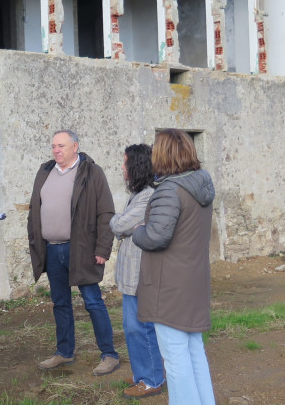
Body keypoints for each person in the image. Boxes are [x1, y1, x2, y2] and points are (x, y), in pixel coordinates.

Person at [132, 129, 216, 405]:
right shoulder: (200, 183)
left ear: (163, 154)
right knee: (194, 352)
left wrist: (137, 231)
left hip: (169, 287)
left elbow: (156, 236)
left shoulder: (170, 190)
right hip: (193, 281)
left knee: (176, 358)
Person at [27, 129, 119, 375]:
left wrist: (102, 248)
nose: (56, 150)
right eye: (54, 146)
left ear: (75, 146)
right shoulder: (45, 171)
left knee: (93, 302)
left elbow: (105, 213)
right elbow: (34, 209)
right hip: (52, 249)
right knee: (60, 303)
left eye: (61, 146)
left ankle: (109, 354)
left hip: (81, 250)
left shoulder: (91, 172)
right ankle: (64, 353)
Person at [109, 143, 165, 398]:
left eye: (125, 163)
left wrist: (121, 224)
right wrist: (126, 225)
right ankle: (142, 375)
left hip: (140, 274)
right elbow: (125, 225)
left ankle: (151, 380)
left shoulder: (147, 197)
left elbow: (119, 224)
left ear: (137, 166)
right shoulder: (139, 194)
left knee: (139, 327)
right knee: (133, 326)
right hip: (132, 274)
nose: (122, 167)